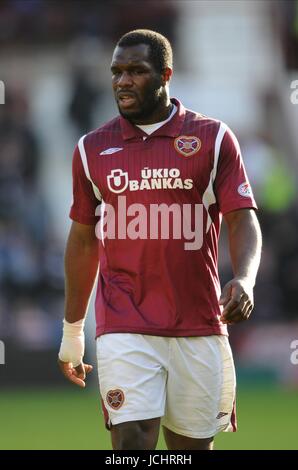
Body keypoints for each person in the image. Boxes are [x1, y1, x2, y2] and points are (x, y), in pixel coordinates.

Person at [58, 29, 262, 450]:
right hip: (124, 322)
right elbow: (82, 241)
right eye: (117, 72)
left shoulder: (213, 138)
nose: (122, 81)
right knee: (132, 440)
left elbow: (242, 219)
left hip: (199, 324)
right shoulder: (90, 149)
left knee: (190, 451)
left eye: (136, 71)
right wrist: (73, 331)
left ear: (166, 74)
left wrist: (245, 278)